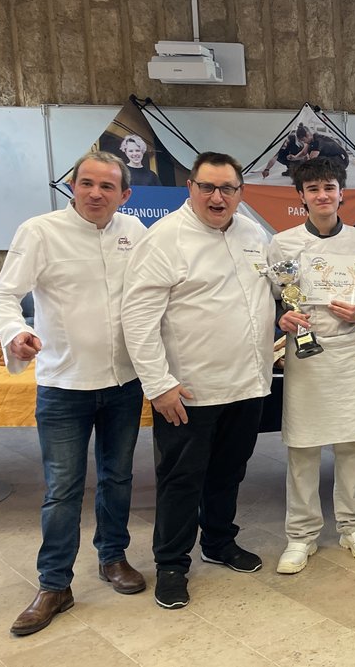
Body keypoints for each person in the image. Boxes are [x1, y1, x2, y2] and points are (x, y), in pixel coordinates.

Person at [0, 152, 148, 636]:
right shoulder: (39, 231)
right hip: (63, 384)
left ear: (125, 195)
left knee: (119, 479)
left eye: (107, 186)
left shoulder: (135, 233)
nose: (96, 193)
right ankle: (54, 583)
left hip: (123, 382)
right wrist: (15, 332)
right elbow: (0, 296)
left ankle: (113, 558)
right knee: (62, 490)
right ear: (72, 186)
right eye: (87, 183)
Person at [122, 151, 276, 610]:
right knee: (181, 480)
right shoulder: (165, 238)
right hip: (188, 390)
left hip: (248, 383)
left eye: (227, 188)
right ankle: (171, 563)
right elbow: (137, 316)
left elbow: (267, 292)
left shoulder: (253, 233)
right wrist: (159, 384)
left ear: (240, 193)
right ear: (190, 188)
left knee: (229, 472)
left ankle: (219, 542)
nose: (217, 196)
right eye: (207, 186)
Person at [268, 158, 355, 574]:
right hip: (304, 352)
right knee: (301, 447)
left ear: (341, 194)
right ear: (301, 196)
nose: (322, 195)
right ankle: (300, 535)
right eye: (313, 189)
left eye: (329, 187)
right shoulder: (282, 244)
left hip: (348, 349)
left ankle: (354, 526)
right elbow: (275, 298)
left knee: (350, 445)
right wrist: (280, 319)